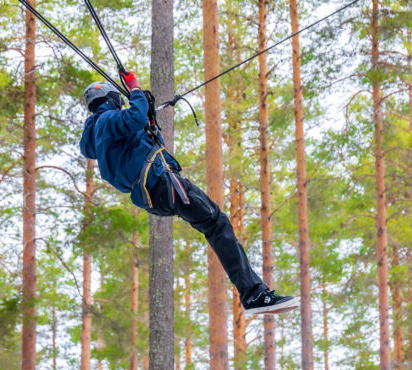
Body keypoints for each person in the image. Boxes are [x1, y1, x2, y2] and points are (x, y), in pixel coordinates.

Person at [79, 72, 299, 316]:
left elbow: (142, 132)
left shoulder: (100, 136)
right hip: (161, 183)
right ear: (112, 99)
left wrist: (149, 122)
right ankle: (254, 294)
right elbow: (135, 115)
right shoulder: (109, 119)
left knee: (214, 224)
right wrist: (135, 89)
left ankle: (253, 293)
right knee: (217, 223)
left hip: (154, 195)